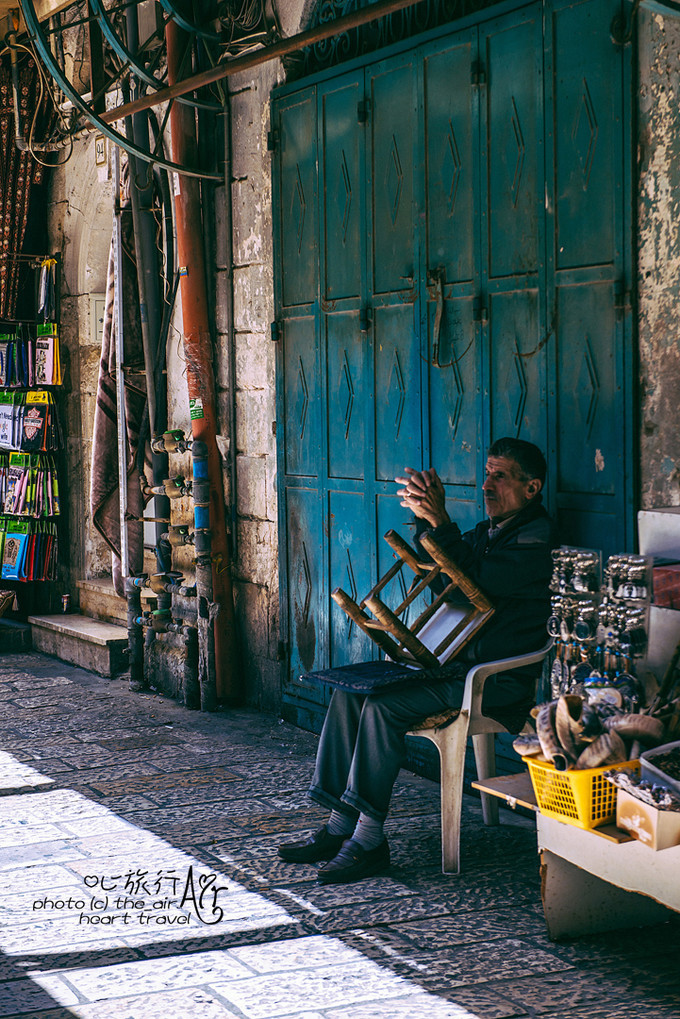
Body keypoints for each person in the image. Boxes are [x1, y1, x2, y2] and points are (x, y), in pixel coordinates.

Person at [278, 437, 555, 885]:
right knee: (352, 695)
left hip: (489, 680)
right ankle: (339, 824)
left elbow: (477, 580)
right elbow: (445, 576)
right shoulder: (488, 534)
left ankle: (369, 840)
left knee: (383, 707)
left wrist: (441, 522)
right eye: (486, 473)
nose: (487, 484)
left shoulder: (535, 540)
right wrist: (425, 522)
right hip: (451, 668)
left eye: (499, 476)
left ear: (531, 487)